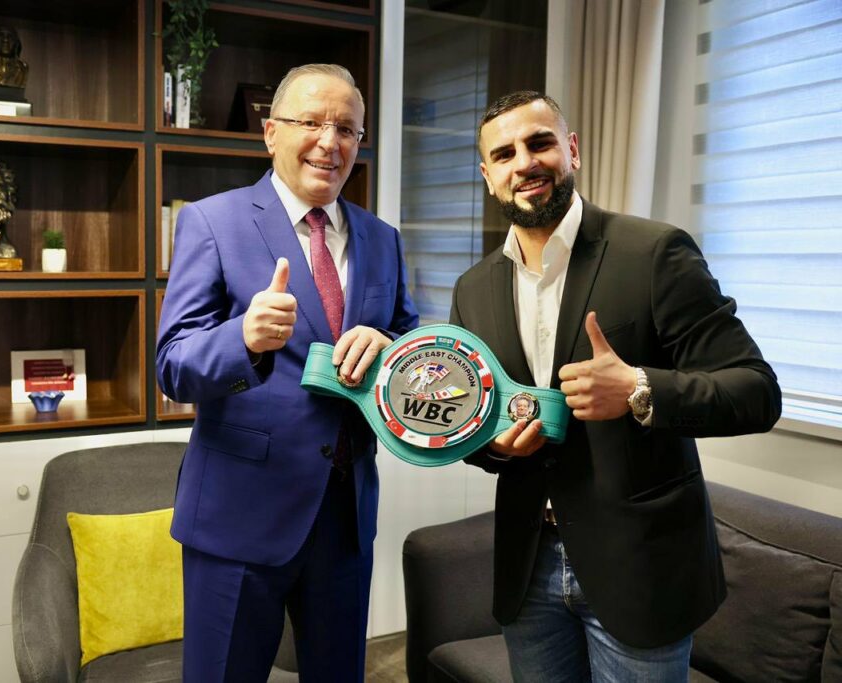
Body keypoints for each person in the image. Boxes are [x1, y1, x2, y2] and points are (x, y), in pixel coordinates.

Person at [449, 91, 781, 681]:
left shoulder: (654, 252)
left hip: (640, 567)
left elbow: (756, 392)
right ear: (487, 175)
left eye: (540, 143)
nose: (524, 163)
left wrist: (638, 389)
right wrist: (494, 446)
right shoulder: (472, 289)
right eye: (504, 154)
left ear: (571, 149)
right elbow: (473, 423)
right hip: (527, 569)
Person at [156, 64, 418, 681]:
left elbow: (409, 340)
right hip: (239, 517)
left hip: (345, 517)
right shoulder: (212, 221)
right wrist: (243, 338)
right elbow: (172, 366)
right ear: (271, 132)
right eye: (312, 123)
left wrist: (388, 345)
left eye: (347, 129)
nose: (330, 142)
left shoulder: (381, 238)